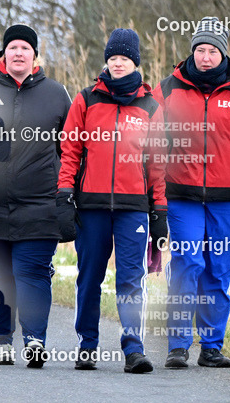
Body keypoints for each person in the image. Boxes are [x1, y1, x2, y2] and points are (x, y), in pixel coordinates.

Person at [0, 24, 72, 367]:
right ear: (3, 53)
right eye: (13, 47)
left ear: (35, 55)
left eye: (26, 48)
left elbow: (72, 150)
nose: (19, 53)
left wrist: (66, 196)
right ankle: (2, 342)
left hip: (41, 204)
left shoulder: (56, 93)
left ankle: (35, 340)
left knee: (33, 272)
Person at [57, 28, 164, 373]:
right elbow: (70, 150)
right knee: (89, 277)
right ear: (106, 61)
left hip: (133, 208)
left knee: (132, 279)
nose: (117, 64)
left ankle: (133, 348)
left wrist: (159, 208)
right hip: (91, 207)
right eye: (112, 58)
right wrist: (64, 194)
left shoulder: (150, 107)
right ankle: (87, 345)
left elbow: (157, 164)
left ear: (135, 63)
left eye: (124, 59)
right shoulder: (86, 99)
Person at [153, 17, 230, 369]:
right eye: (200, 49)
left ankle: (211, 346)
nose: (205, 57)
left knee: (218, 270)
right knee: (187, 264)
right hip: (181, 196)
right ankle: (178, 345)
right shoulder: (168, 88)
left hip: (228, 198)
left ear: (223, 53)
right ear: (191, 51)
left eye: (212, 50)